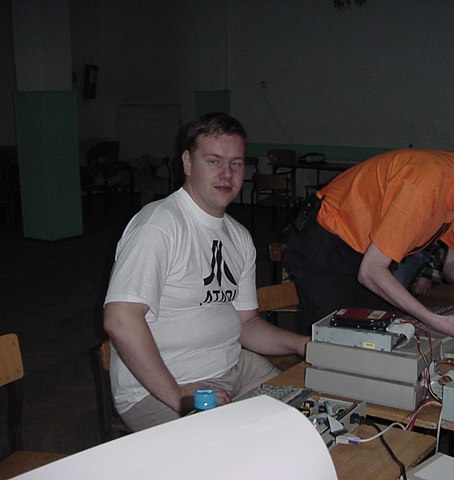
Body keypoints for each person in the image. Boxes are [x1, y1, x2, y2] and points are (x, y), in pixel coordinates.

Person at [103, 112, 309, 431]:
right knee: (240, 449)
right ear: (187, 162)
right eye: (213, 161)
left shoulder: (238, 236)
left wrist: (302, 344)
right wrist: (177, 395)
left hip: (234, 366)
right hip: (159, 387)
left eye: (236, 163)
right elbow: (120, 320)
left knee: (306, 418)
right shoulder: (159, 226)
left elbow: (247, 324)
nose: (227, 174)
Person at [285, 149, 454, 342]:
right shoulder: (424, 187)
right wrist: (436, 321)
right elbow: (370, 272)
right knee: (334, 341)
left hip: (365, 253)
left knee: (381, 334)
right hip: (326, 240)